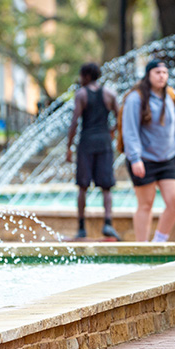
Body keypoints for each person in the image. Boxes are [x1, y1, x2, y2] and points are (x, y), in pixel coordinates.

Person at [121, 59, 175, 242]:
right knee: (146, 204)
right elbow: (130, 130)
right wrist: (135, 158)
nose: (162, 76)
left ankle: (159, 241)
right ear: (148, 75)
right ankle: (142, 247)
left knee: (174, 199)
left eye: (165, 73)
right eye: (157, 73)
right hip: (144, 159)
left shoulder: (173, 97)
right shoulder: (136, 98)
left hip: (167, 158)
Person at [66, 63, 121, 240]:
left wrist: (68, 147)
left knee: (82, 186)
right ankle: (108, 224)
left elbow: (75, 122)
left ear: (87, 76)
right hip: (104, 142)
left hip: (87, 142)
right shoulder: (110, 94)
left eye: (82, 76)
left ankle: (81, 227)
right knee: (106, 187)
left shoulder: (81, 95)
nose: (80, 80)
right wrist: (112, 130)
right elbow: (121, 117)